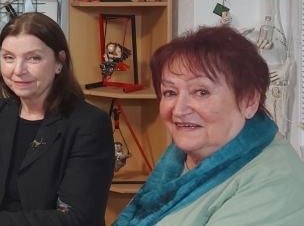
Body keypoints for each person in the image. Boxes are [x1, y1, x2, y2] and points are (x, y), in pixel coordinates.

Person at [113, 26, 304, 226]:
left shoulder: (275, 186)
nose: (179, 110)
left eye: (201, 92)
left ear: (249, 101)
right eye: (170, 92)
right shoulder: (181, 157)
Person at [0, 13, 114, 226]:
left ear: (59, 62)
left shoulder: (89, 124)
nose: (18, 70)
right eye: (9, 57)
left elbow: (77, 218)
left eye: (34, 58)